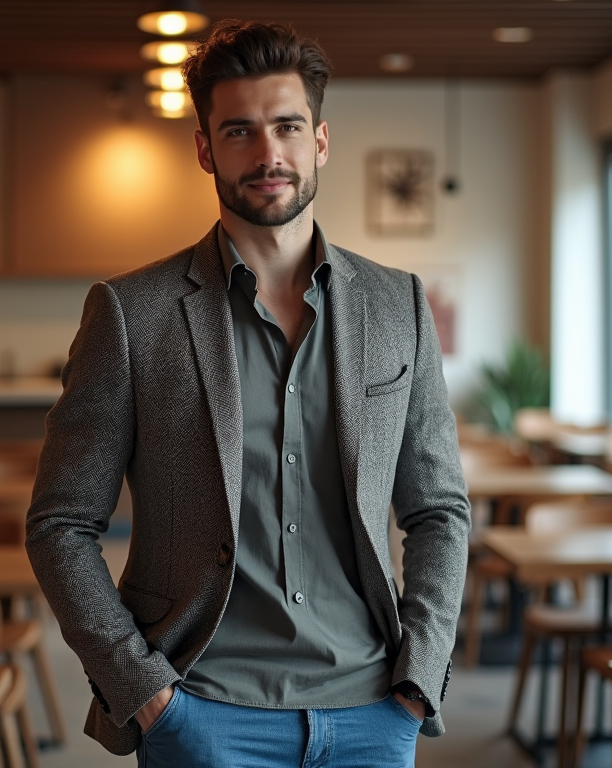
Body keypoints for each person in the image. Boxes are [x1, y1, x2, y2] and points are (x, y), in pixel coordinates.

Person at [26, 19, 471, 768]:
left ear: (319, 141)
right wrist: (145, 692)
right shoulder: (131, 314)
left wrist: (419, 680)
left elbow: (439, 508)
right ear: (205, 148)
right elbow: (62, 523)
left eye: (287, 128)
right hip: (202, 714)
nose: (268, 154)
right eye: (240, 131)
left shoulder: (398, 307)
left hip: (373, 712)